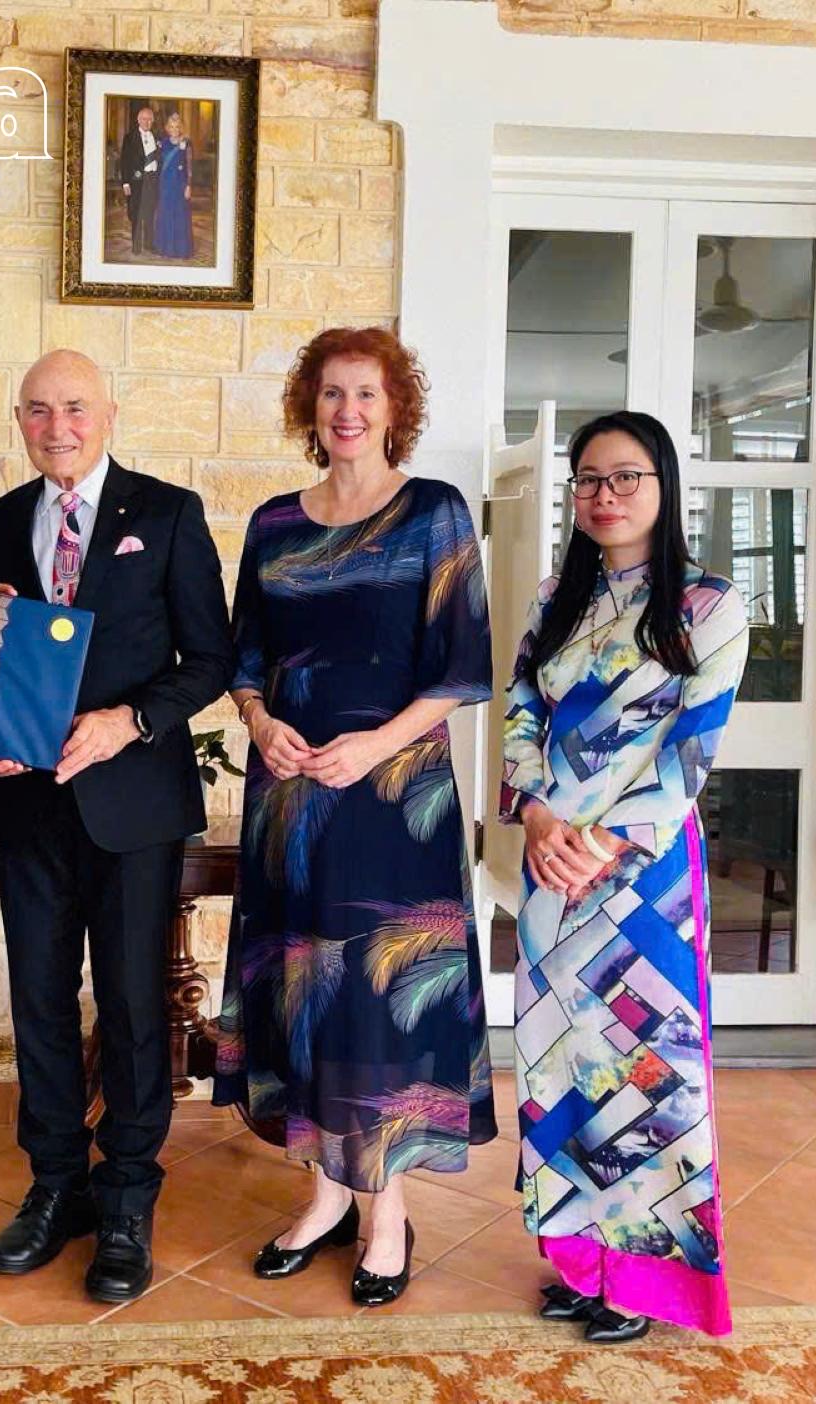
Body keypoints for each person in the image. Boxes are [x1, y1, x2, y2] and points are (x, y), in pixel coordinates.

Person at [212, 327, 496, 1307]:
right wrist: (260, 723)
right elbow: (244, 658)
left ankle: (387, 1214)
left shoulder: (435, 513)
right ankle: (328, 1196)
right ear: (310, 407)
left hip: (392, 801)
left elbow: (461, 666)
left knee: (376, 997)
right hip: (290, 795)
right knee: (308, 989)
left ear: (395, 408)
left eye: (366, 393)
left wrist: (373, 747)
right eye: (332, 393)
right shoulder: (274, 525)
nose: (347, 410)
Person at [0, 348, 232, 1303]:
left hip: (134, 806)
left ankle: (126, 1196)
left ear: (109, 413)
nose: (58, 427)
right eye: (38, 410)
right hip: (28, 804)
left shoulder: (168, 514)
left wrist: (133, 721)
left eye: (75, 407)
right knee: (37, 1001)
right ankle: (55, 1186)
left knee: (130, 1004)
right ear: (19, 421)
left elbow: (211, 659)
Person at [501, 410, 748, 1343]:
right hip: (549, 865)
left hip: (644, 881)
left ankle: (644, 1278)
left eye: (626, 477)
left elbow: (692, 753)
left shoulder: (709, 606)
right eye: (590, 480)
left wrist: (598, 843)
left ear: (663, 486)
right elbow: (521, 714)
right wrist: (538, 820)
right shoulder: (554, 600)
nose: (605, 496)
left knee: (646, 1073)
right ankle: (582, 1260)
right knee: (558, 1064)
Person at [119, 106, 161, 257]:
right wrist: (125, 183)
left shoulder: (157, 136)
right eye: (144, 119)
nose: (146, 122)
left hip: (152, 180)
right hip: (136, 181)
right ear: (138, 120)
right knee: (136, 213)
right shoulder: (130, 137)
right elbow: (124, 161)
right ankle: (136, 246)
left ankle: (149, 244)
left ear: (153, 121)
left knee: (150, 213)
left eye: (149, 119)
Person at [153, 112, 193, 260]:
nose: (174, 129)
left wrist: (188, 185)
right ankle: (166, 248)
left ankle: (180, 249)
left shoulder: (186, 143)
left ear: (180, 128)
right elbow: (156, 163)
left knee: (180, 215)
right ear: (167, 128)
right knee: (166, 214)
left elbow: (189, 167)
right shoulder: (162, 143)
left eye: (177, 126)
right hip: (165, 185)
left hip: (180, 185)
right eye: (172, 126)